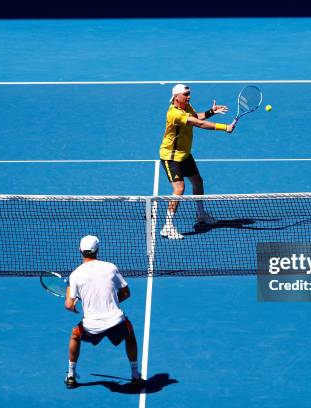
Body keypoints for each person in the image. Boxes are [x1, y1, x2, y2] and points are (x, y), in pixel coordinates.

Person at [64, 235, 143, 388]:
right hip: (115, 321)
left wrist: (70, 299)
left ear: (80, 251)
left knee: (75, 335)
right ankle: (135, 376)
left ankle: (71, 376)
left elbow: (68, 305)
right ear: (97, 250)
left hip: (91, 326)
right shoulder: (111, 267)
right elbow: (126, 293)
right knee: (130, 333)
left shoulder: (75, 275)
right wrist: (109, 301)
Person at [159, 84, 235, 239]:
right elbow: (198, 124)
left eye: (189, 94)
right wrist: (224, 127)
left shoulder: (187, 106)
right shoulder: (174, 114)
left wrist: (211, 112)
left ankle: (200, 215)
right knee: (179, 189)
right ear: (176, 97)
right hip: (171, 156)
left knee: (198, 182)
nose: (189, 96)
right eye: (186, 94)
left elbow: (197, 117)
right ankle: (167, 226)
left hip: (185, 154)